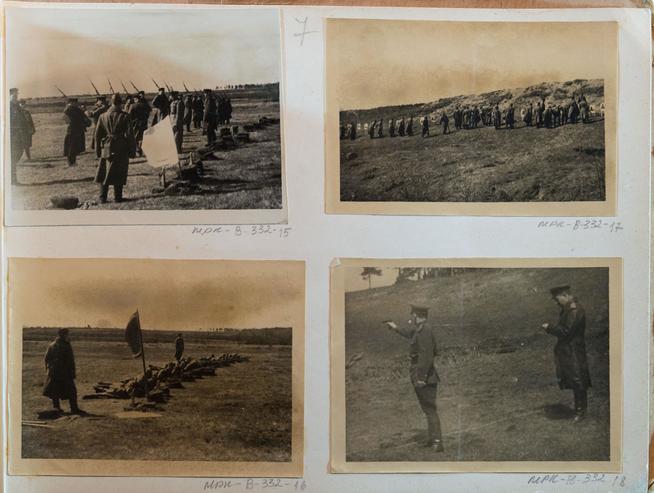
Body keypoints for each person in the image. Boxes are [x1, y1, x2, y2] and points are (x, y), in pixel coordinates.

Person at [386, 305, 443, 451]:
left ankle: (437, 442)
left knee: (430, 409)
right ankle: (433, 440)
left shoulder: (425, 331)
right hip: (421, 374)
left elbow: (427, 357)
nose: (412, 318)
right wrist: (394, 327)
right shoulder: (420, 330)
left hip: (425, 377)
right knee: (427, 409)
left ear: (420, 317)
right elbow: (408, 333)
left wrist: (422, 377)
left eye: (414, 315)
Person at [542, 285, 591, 423]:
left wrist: (549, 328)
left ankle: (581, 412)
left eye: (557, 299)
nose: (556, 302)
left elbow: (566, 332)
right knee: (576, 381)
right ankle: (579, 411)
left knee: (578, 381)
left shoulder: (574, 310)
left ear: (565, 295)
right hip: (570, 350)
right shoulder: (568, 309)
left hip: (573, 350)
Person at [94, 93, 135, 203]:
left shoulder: (102, 116)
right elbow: (130, 135)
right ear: (120, 103)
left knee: (103, 171)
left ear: (112, 102)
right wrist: (132, 151)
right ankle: (118, 197)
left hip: (106, 146)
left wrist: (98, 151)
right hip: (121, 146)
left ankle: (102, 197)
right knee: (120, 170)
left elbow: (97, 135)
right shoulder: (125, 116)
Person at [43, 328, 84, 414]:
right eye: (67, 334)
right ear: (64, 335)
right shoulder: (66, 345)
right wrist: (72, 373)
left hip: (53, 372)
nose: (68, 336)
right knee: (72, 390)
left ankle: (56, 408)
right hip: (65, 372)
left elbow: (46, 359)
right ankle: (74, 408)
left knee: (55, 391)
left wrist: (48, 370)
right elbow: (70, 360)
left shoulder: (51, 345)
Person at [63, 98, 91, 166]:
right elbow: (66, 119)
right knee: (71, 147)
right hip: (72, 131)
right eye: (75, 103)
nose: (76, 104)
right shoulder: (70, 109)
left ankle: (73, 162)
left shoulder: (74, 109)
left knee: (74, 147)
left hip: (75, 130)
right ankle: (71, 162)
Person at [9, 88, 27, 184]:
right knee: (12, 157)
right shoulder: (7, 106)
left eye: (17, 95)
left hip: (18, 134)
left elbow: (22, 119)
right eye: (14, 95)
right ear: (9, 95)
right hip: (11, 134)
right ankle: (12, 180)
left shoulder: (17, 106)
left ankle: (13, 179)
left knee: (18, 153)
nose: (16, 97)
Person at [127, 92, 151, 157]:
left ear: (136, 99)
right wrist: (145, 118)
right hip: (143, 122)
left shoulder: (133, 105)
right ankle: (140, 149)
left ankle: (137, 150)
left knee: (135, 137)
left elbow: (129, 115)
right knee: (141, 137)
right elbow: (149, 110)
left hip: (135, 123)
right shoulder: (144, 105)